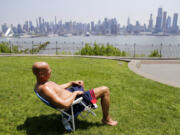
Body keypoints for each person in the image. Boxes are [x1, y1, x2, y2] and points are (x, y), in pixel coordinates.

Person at [32, 61, 117, 126]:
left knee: (80, 83)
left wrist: (71, 83)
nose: (51, 71)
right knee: (105, 90)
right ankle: (106, 119)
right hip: (74, 103)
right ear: (41, 74)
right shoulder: (45, 89)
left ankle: (89, 99)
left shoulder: (41, 83)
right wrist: (75, 93)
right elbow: (64, 105)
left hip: (71, 95)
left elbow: (57, 89)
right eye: (48, 70)